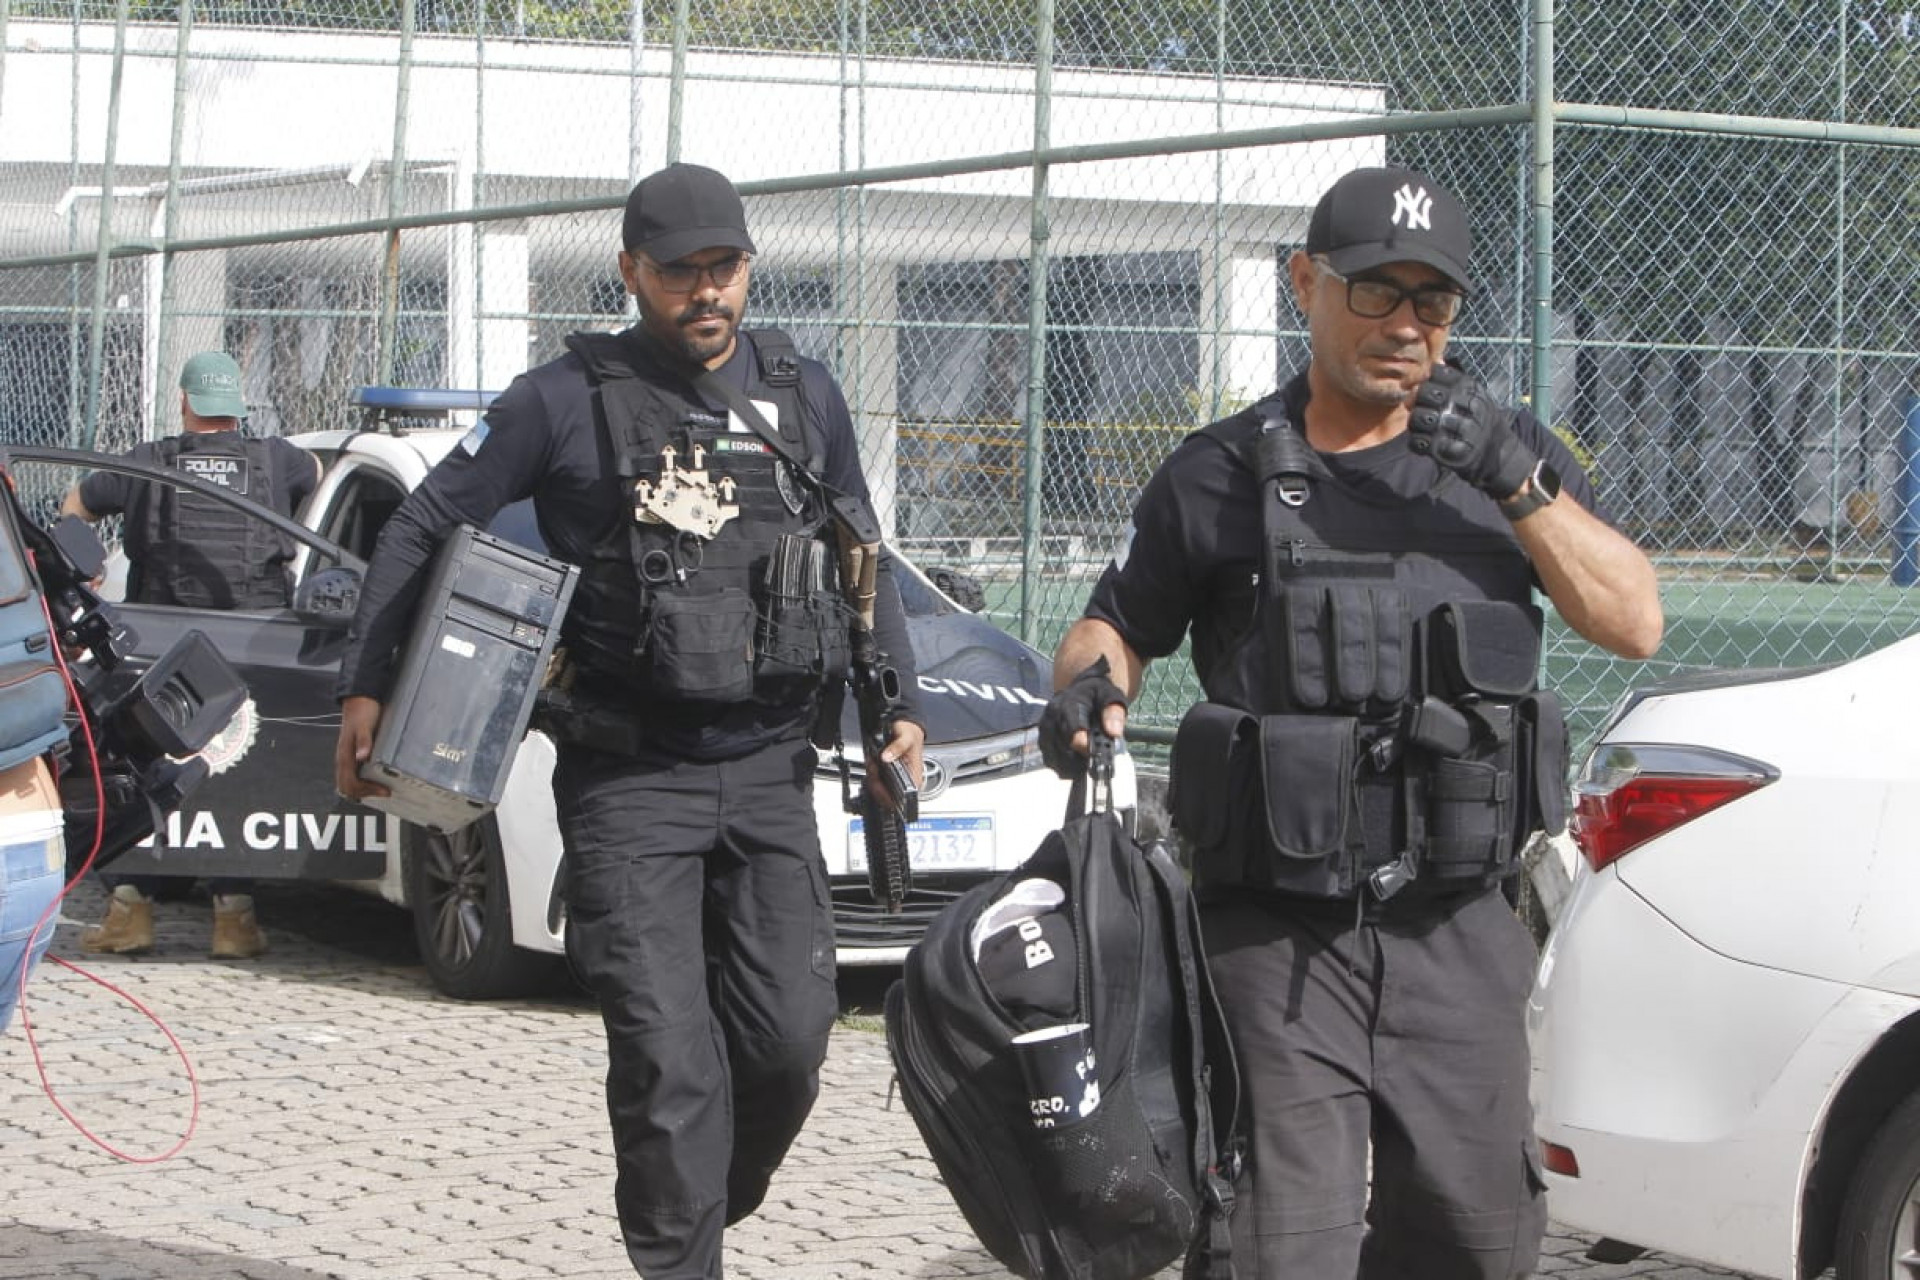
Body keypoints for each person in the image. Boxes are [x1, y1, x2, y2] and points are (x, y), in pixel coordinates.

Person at [1039, 166, 1662, 1279]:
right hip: (1275, 935)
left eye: (1434, 300)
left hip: (1459, 924)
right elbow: (1114, 627)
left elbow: (1634, 620)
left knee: (1478, 1239)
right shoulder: (1216, 472)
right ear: (1305, 284)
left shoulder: (1510, 460)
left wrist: (1516, 481)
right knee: (1282, 1248)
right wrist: (1088, 687)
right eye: (1376, 291)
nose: (1406, 326)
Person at [332, 161, 925, 1280]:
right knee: (665, 1062)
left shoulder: (804, 393)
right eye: (680, 272)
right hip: (628, 779)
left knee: (790, 1044)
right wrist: (367, 688)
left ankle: (694, 1197)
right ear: (630, 271)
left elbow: (862, 553)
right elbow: (419, 526)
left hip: (770, 769)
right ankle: (679, 1249)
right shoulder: (560, 399)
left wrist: (900, 704)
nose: (707, 292)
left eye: (725, 267)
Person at [62, 349, 322, 961]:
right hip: (256, 644)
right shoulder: (277, 459)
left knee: (140, 769)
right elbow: (315, 469)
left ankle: (131, 910)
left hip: (162, 642)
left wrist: (83, 571)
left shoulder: (147, 461)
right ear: (236, 406)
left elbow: (76, 503)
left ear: (184, 402)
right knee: (242, 770)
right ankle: (235, 918)